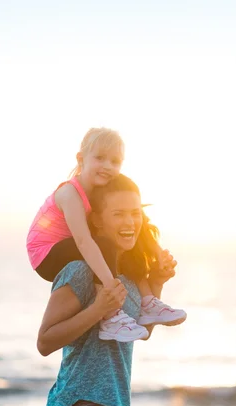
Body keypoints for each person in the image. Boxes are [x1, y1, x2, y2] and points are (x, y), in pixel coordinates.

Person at [37, 174, 180, 406]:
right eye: (118, 214)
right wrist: (97, 311)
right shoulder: (80, 271)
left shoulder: (129, 280)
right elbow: (45, 341)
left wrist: (157, 284)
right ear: (96, 221)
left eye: (135, 213)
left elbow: (139, 334)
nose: (130, 222)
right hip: (91, 405)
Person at [27, 127, 186, 343]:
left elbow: (141, 220)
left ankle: (148, 302)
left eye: (115, 161)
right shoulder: (70, 193)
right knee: (105, 244)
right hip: (46, 254)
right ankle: (111, 317)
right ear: (81, 159)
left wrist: (158, 254)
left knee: (126, 234)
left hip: (72, 245)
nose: (107, 166)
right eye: (100, 158)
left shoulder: (101, 191)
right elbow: (84, 241)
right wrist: (110, 285)